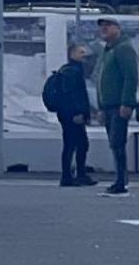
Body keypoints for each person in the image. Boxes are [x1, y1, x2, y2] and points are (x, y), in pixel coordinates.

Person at [95, 17, 138, 196]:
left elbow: (130, 77)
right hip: (108, 106)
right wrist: (100, 106)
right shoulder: (107, 51)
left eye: (108, 26)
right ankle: (120, 179)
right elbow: (100, 80)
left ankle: (121, 182)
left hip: (118, 105)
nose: (104, 29)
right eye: (102, 27)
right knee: (114, 143)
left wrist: (127, 103)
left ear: (117, 28)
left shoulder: (123, 49)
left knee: (117, 142)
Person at [50, 44, 94, 186]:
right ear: (72, 54)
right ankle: (68, 176)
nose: (84, 55)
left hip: (68, 113)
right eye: (81, 52)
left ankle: (76, 174)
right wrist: (77, 112)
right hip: (71, 115)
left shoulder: (71, 70)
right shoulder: (72, 72)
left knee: (78, 144)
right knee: (74, 144)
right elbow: (72, 95)